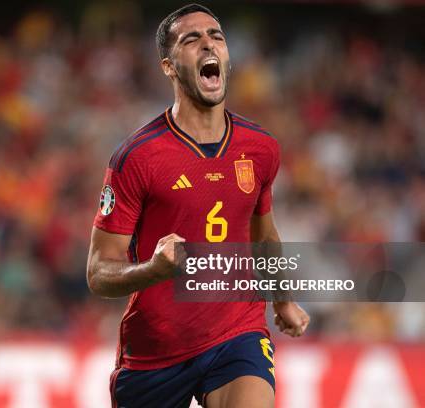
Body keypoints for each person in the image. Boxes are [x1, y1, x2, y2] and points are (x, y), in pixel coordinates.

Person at [86, 4, 310, 408]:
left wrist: (283, 299)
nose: (208, 43)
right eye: (192, 39)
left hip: (237, 335)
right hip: (155, 353)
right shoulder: (136, 157)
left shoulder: (261, 149)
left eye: (216, 36)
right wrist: (154, 270)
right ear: (169, 67)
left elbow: (265, 235)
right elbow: (99, 271)